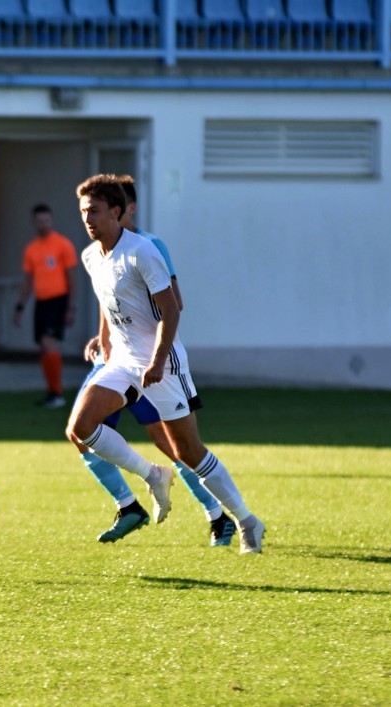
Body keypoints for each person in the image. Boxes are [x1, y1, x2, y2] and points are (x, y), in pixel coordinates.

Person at [65, 175, 265, 554]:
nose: (87, 219)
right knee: (80, 428)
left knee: (188, 450)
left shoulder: (143, 251)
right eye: (82, 212)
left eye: (94, 211)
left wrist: (157, 361)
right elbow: (110, 304)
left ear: (118, 212)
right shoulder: (91, 256)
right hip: (122, 363)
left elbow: (172, 309)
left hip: (163, 363)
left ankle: (245, 520)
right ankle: (153, 475)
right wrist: (103, 341)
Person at [13, 203, 78, 409]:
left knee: (49, 343)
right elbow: (28, 281)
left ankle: (57, 393)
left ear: (52, 220)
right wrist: (20, 307)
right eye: (39, 221)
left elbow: (72, 278)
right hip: (41, 302)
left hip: (58, 300)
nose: (43, 224)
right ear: (35, 222)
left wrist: (71, 307)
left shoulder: (63, 244)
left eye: (46, 220)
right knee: (43, 346)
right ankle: (52, 392)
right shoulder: (31, 249)